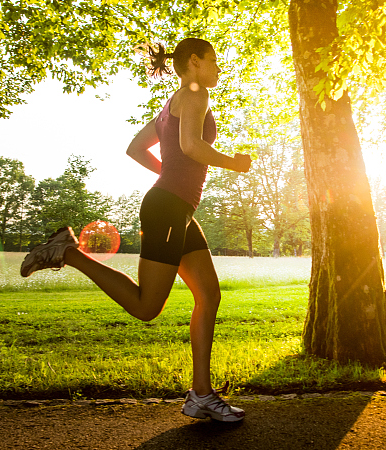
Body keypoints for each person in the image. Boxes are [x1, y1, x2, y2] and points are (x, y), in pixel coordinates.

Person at [20, 38, 251, 422]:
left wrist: (171, 174)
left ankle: (201, 395)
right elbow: (191, 146)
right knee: (147, 307)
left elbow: (135, 148)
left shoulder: (170, 104)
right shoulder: (196, 93)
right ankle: (68, 252)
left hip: (176, 207)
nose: (218, 68)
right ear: (194, 62)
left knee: (209, 295)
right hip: (169, 208)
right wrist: (233, 162)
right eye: (214, 60)